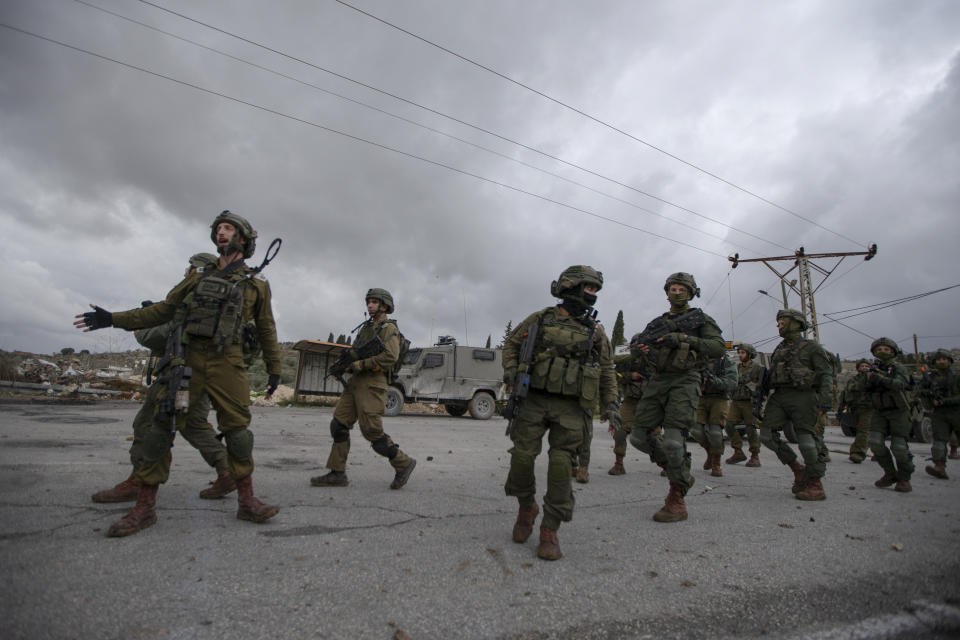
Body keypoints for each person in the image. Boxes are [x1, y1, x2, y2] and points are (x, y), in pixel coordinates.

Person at [74, 210, 282, 536]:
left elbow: (267, 327)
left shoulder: (256, 284)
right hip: (188, 360)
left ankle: (247, 500)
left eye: (229, 229)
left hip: (228, 362)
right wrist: (113, 318)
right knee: (159, 424)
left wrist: (275, 368)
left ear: (242, 239)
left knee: (239, 431)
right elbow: (164, 310)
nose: (222, 233)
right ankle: (144, 507)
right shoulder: (196, 278)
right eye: (219, 229)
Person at [91, 254, 235, 503]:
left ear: (197, 270)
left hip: (178, 376)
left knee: (149, 425)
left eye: (188, 268)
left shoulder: (193, 300)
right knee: (194, 425)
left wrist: (140, 328)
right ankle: (226, 471)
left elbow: (156, 337)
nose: (185, 273)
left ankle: (139, 479)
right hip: (202, 376)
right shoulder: (220, 301)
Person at [502, 266, 617, 560]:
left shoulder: (595, 330)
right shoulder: (541, 318)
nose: (592, 294)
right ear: (571, 287)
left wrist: (611, 403)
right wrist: (512, 374)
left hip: (572, 406)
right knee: (522, 459)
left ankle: (550, 528)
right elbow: (512, 344)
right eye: (588, 288)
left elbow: (606, 369)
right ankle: (526, 506)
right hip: (534, 399)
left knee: (561, 467)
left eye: (595, 290)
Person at [629, 272, 725, 522]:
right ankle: (681, 474)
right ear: (667, 291)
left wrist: (684, 338)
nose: (677, 291)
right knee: (638, 437)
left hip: (686, 379)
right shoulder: (656, 323)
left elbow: (717, 347)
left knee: (673, 442)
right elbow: (637, 351)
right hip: (658, 380)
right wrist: (642, 350)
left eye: (683, 288)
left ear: (691, 293)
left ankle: (676, 496)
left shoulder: (701, 320)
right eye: (673, 287)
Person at [310, 288, 417, 490]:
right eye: (369, 301)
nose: (370, 305)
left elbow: (390, 357)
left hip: (373, 385)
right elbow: (356, 353)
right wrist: (342, 367)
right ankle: (337, 473)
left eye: (375, 302)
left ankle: (403, 463)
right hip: (356, 384)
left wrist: (358, 366)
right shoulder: (367, 328)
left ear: (384, 306)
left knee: (373, 433)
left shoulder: (389, 328)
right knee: (338, 425)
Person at [757, 309, 833, 501]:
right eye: (778, 321)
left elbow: (825, 374)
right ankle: (797, 469)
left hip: (804, 397)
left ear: (797, 323)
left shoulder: (812, 347)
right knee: (766, 435)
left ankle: (815, 483)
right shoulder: (779, 349)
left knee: (806, 441)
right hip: (780, 396)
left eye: (783, 321)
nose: (779, 324)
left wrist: (826, 399)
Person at [865, 337, 915, 492]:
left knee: (899, 447)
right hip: (879, 411)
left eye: (886, 349)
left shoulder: (899, 368)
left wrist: (879, 378)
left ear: (893, 351)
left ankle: (904, 477)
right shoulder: (873, 369)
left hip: (898, 411)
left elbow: (900, 384)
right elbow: (863, 389)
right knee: (875, 443)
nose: (882, 352)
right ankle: (890, 472)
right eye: (879, 350)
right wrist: (866, 379)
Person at [692, 352, 738, 477]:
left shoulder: (725, 361)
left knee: (715, 433)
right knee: (695, 430)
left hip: (719, 398)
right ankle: (710, 452)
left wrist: (713, 381)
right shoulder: (698, 359)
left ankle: (716, 463)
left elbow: (732, 382)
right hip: (700, 398)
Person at [608, 350, 651, 475]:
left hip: (649, 403)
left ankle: (666, 464)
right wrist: (630, 376)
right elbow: (613, 375)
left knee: (655, 434)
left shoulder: (653, 361)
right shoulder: (627, 361)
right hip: (629, 401)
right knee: (619, 430)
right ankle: (619, 464)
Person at [921, 349, 959, 480]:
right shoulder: (930, 378)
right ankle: (939, 466)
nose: (941, 361)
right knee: (939, 440)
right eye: (938, 360)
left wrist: (946, 401)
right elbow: (921, 391)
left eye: (944, 359)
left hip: (956, 411)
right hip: (939, 413)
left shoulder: (956, 377)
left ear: (949, 361)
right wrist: (929, 394)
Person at [724, 344, 764, 468]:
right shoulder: (736, 368)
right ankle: (738, 451)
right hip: (736, 401)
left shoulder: (758, 368)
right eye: (739, 353)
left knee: (750, 428)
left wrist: (757, 394)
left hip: (749, 402)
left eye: (742, 353)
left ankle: (755, 456)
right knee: (729, 425)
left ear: (749, 354)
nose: (740, 355)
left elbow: (763, 384)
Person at [839, 359, 874, 463]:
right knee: (863, 431)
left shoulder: (874, 379)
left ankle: (858, 453)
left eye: (866, 366)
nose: (864, 368)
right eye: (862, 366)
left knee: (864, 430)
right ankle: (879, 452)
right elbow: (850, 389)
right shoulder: (854, 380)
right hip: (856, 408)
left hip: (869, 408)